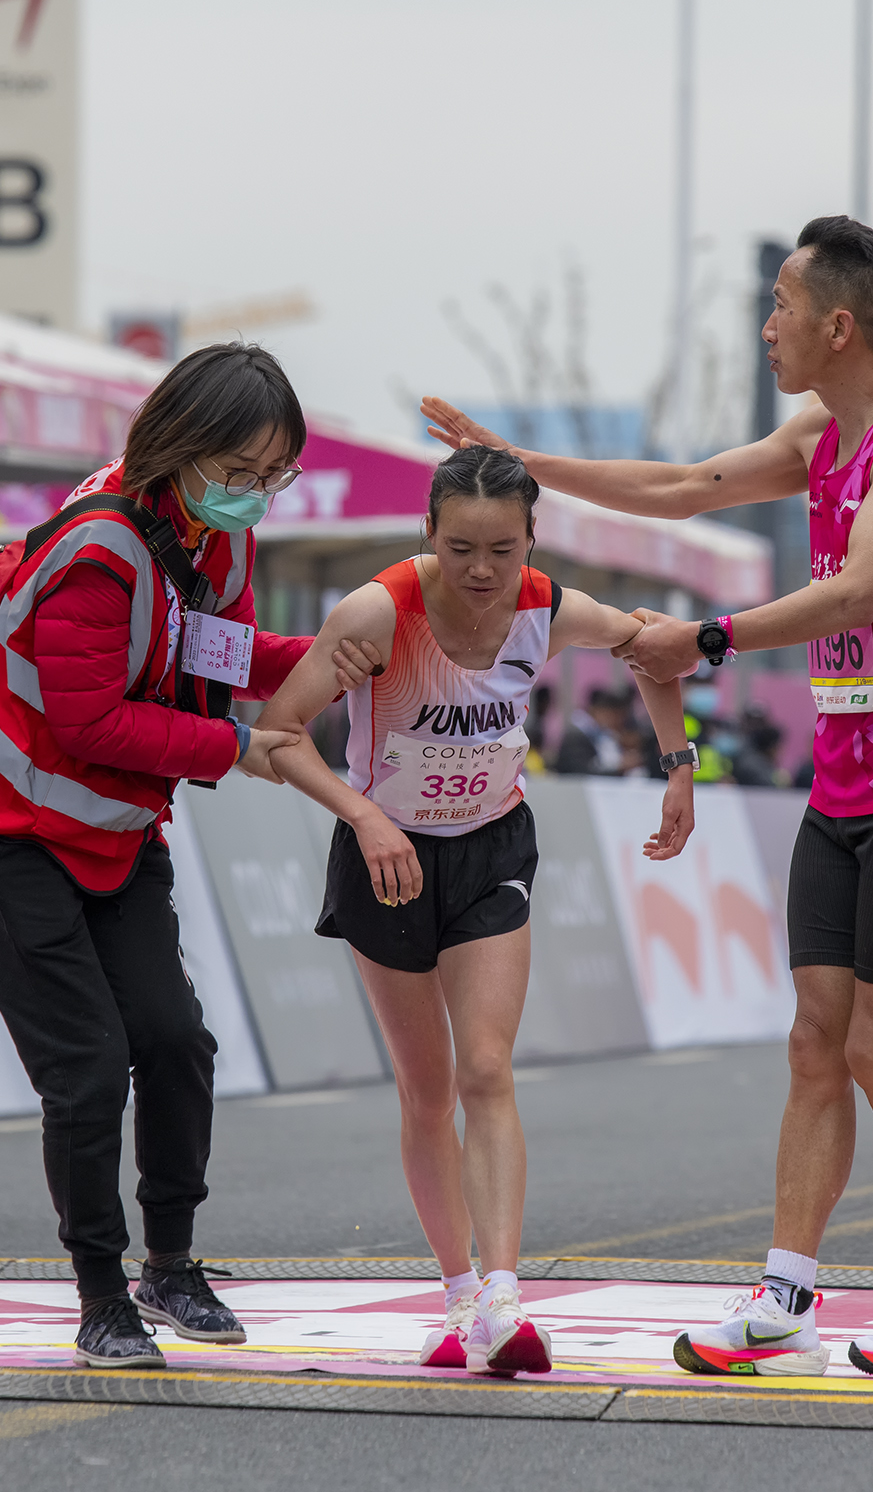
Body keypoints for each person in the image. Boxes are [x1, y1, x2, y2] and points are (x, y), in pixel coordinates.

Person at [423, 213, 873, 1381]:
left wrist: (702, 639)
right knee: (814, 1041)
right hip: (847, 779)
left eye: (781, 306)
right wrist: (518, 463)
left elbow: (855, 593)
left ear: (837, 325)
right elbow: (678, 486)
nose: (767, 326)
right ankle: (786, 1298)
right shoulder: (817, 432)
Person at [0, 343, 379, 1371]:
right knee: (87, 1072)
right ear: (180, 447)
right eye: (240, 471)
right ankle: (100, 1295)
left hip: (115, 829)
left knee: (176, 1042)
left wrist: (330, 659)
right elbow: (89, 720)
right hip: (10, 826)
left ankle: (169, 1266)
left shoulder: (216, 537)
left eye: (273, 474)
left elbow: (213, 653)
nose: (255, 493)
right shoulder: (101, 548)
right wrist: (235, 747)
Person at [254, 446, 695, 1379]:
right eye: (460, 550)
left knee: (487, 1067)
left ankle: (502, 1295)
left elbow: (652, 647)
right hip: (388, 860)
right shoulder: (379, 611)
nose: (483, 572)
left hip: (494, 848)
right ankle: (458, 1296)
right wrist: (366, 816)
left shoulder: (548, 607)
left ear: (532, 538)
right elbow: (277, 736)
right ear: (428, 533)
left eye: (503, 549)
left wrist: (678, 764)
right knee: (428, 1092)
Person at [550, 685, 641, 776]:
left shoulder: (604, 734)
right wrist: (620, 767)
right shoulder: (576, 736)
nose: (619, 722)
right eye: (616, 716)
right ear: (599, 711)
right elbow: (583, 772)